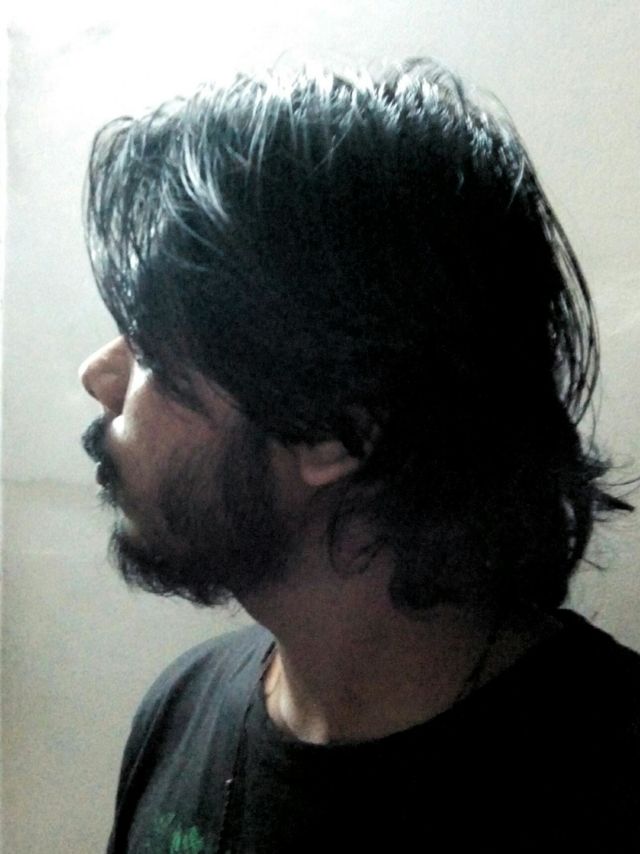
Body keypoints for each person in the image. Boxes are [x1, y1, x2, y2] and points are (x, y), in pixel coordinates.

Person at [79, 59, 639, 852]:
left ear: (335, 430)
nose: (99, 376)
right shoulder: (180, 710)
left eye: (151, 353)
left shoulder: (610, 781)